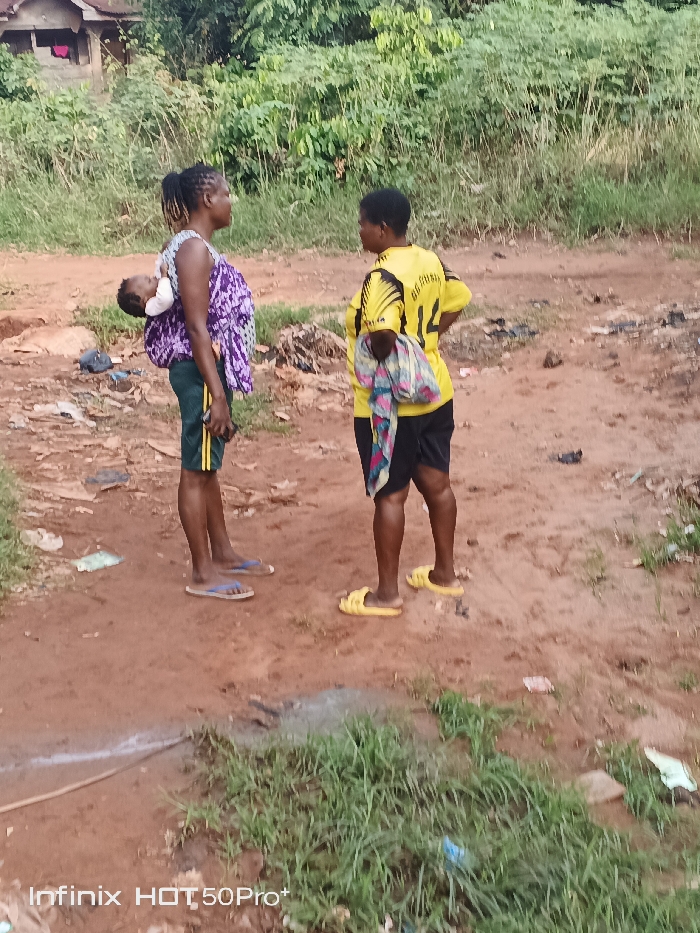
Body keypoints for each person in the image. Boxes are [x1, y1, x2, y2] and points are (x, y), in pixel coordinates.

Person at [340, 188, 472, 617]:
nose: (359, 231)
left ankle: (386, 595)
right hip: (435, 391)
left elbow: (381, 334)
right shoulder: (430, 261)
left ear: (382, 229)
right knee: (438, 485)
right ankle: (445, 574)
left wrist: (393, 352)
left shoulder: (382, 276)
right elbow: (459, 297)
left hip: (391, 405)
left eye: (362, 224)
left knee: (390, 496)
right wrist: (424, 342)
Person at [143, 163, 272, 600]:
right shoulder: (193, 250)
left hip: (206, 371)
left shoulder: (191, 246)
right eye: (226, 193)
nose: (231, 201)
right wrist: (216, 394)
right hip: (201, 373)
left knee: (207, 465)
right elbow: (197, 328)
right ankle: (202, 572)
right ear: (207, 199)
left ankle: (223, 553)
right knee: (195, 471)